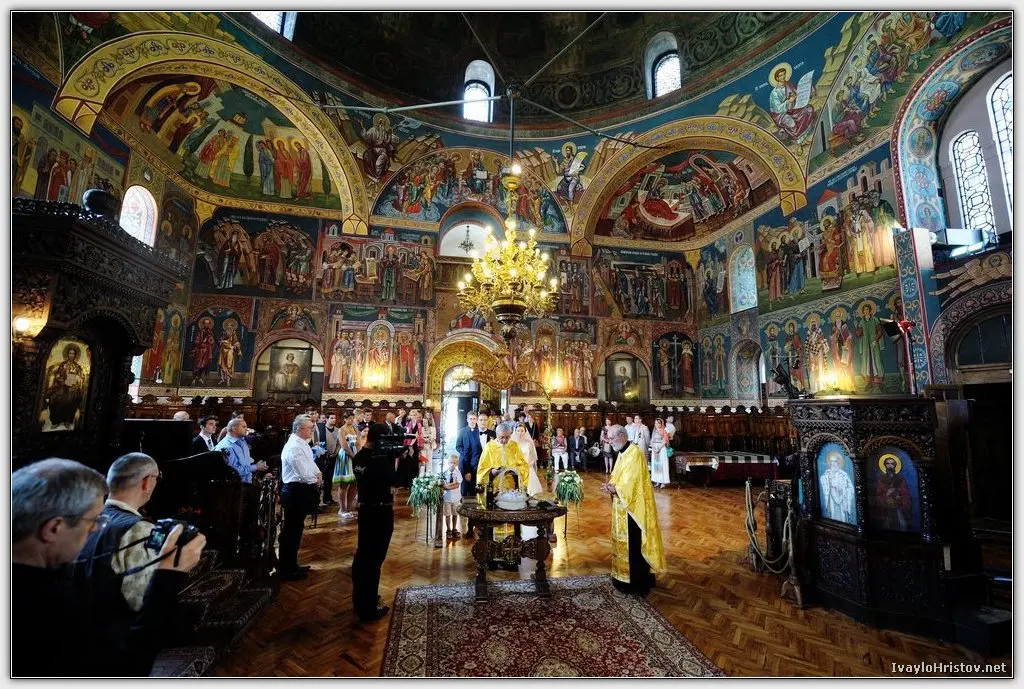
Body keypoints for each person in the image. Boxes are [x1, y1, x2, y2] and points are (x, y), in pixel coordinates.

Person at [13, 458, 206, 677]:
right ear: (54, 528)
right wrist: (168, 577)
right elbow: (124, 670)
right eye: (92, 521)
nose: (96, 529)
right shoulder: (44, 611)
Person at [73, 453, 164, 638]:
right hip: (116, 639)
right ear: (146, 482)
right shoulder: (141, 530)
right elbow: (141, 601)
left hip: (74, 630)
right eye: (157, 477)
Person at [603, 426, 665, 595]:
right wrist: (610, 485)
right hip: (622, 506)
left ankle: (636, 583)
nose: (610, 442)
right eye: (609, 438)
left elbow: (632, 481)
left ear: (622, 436)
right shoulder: (622, 453)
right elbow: (617, 475)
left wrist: (616, 488)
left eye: (612, 438)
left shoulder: (635, 453)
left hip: (634, 508)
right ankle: (621, 577)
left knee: (634, 543)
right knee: (623, 543)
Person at [352, 423, 401, 622]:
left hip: (365, 510)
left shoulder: (359, 457)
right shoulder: (379, 461)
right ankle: (368, 607)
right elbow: (395, 479)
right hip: (380, 511)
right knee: (374, 559)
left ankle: (362, 599)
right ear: (381, 440)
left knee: (363, 555)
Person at [476, 423, 531, 569]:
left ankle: (511, 559)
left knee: (512, 521)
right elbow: (481, 470)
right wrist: (492, 472)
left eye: (507, 437)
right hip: (494, 492)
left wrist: (516, 472)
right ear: (497, 435)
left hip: (512, 493)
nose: (505, 440)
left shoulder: (514, 446)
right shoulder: (489, 447)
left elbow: (523, 466)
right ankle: (493, 558)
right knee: (494, 523)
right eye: (502, 437)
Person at [278, 414, 323, 580]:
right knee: (290, 532)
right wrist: (315, 479)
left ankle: (292, 564)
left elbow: (311, 464)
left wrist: (318, 473)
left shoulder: (303, 443)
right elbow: (302, 472)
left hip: (302, 490)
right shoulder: (294, 446)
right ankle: (286, 569)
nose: (312, 430)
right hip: (295, 490)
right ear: (299, 429)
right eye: (309, 428)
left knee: (296, 530)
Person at [455, 411, 484, 538]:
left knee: (474, 492)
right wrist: (466, 454)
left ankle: (475, 522)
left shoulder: (480, 432)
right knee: (465, 491)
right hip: (465, 464)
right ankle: (465, 519)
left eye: (474, 419)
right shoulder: (462, 432)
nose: (472, 421)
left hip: (477, 466)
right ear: (467, 420)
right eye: (470, 419)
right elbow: (458, 446)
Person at [514, 423, 544, 542]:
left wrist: (527, 466)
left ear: (525, 431)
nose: (520, 433)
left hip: (527, 469)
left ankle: (529, 516)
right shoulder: (513, 443)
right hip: (516, 470)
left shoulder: (528, 443)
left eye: (522, 430)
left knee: (530, 492)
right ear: (515, 431)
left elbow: (532, 458)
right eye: (518, 430)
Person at [215, 417, 267, 484]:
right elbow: (233, 472)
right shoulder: (226, 447)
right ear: (234, 429)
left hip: (247, 482)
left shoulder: (241, 440)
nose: (247, 429)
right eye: (243, 427)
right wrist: (255, 467)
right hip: (235, 486)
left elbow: (245, 462)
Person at [334, 412, 359, 518]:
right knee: (344, 483)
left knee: (354, 483)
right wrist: (353, 456)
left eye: (352, 418)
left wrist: (359, 455)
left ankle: (349, 507)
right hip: (345, 455)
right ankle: (342, 509)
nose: (351, 420)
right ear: (344, 419)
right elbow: (344, 446)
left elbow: (358, 442)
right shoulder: (341, 430)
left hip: (355, 453)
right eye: (349, 419)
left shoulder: (354, 428)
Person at [319, 413, 341, 506]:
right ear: (327, 419)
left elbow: (339, 443)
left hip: (333, 456)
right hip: (323, 456)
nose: (333, 420)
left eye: (335, 418)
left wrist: (335, 453)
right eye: (331, 418)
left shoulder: (337, 430)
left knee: (329, 479)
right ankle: (317, 500)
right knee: (320, 479)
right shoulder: (321, 429)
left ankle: (327, 497)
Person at [441, 452, 462, 541]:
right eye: (451, 462)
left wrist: (447, 487)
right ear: (448, 463)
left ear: (457, 464)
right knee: (447, 514)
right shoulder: (445, 473)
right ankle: (448, 529)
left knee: (455, 514)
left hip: (456, 497)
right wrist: (446, 486)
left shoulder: (458, 473)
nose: (452, 464)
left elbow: (457, 485)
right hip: (447, 498)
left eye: (454, 463)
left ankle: (454, 528)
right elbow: (442, 485)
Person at [650, 418, 671, 489]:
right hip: (654, 449)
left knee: (662, 465)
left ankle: (662, 482)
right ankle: (657, 481)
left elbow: (665, 441)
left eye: (657, 423)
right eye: (655, 423)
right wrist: (653, 448)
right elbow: (651, 441)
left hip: (661, 449)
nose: (656, 424)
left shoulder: (664, 431)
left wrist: (658, 448)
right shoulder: (654, 431)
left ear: (661, 424)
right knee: (656, 465)